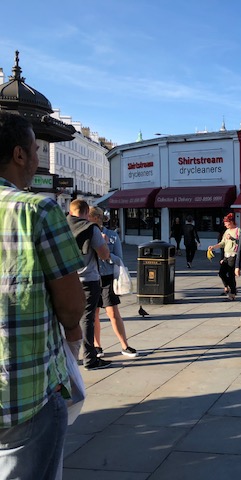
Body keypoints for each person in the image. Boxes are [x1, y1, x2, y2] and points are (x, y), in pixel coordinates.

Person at [0, 111, 85, 478]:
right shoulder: (38, 210)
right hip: (24, 392)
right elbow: (70, 303)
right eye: (36, 148)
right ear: (20, 155)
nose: (38, 156)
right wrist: (74, 334)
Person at [68, 199, 113, 370]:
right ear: (87, 213)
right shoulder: (91, 228)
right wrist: (104, 242)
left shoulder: (62, 226)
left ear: (71, 212)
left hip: (66, 280)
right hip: (88, 279)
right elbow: (104, 254)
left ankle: (68, 359)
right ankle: (90, 359)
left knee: (66, 318)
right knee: (87, 319)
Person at [88, 207, 138, 358]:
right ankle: (97, 346)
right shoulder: (87, 234)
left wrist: (105, 251)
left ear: (96, 218)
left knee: (113, 312)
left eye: (88, 217)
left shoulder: (112, 235)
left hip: (107, 277)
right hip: (92, 277)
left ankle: (125, 345)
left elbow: (119, 259)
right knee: (94, 314)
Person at [208, 213, 239, 300]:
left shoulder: (238, 230)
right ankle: (228, 287)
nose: (225, 224)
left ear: (231, 222)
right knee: (221, 273)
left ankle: (233, 293)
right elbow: (223, 243)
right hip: (226, 254)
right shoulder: (226, 231)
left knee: (231, 274)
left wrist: (233, 239)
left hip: (234, 254)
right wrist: (214, 247)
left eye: (226, 222)